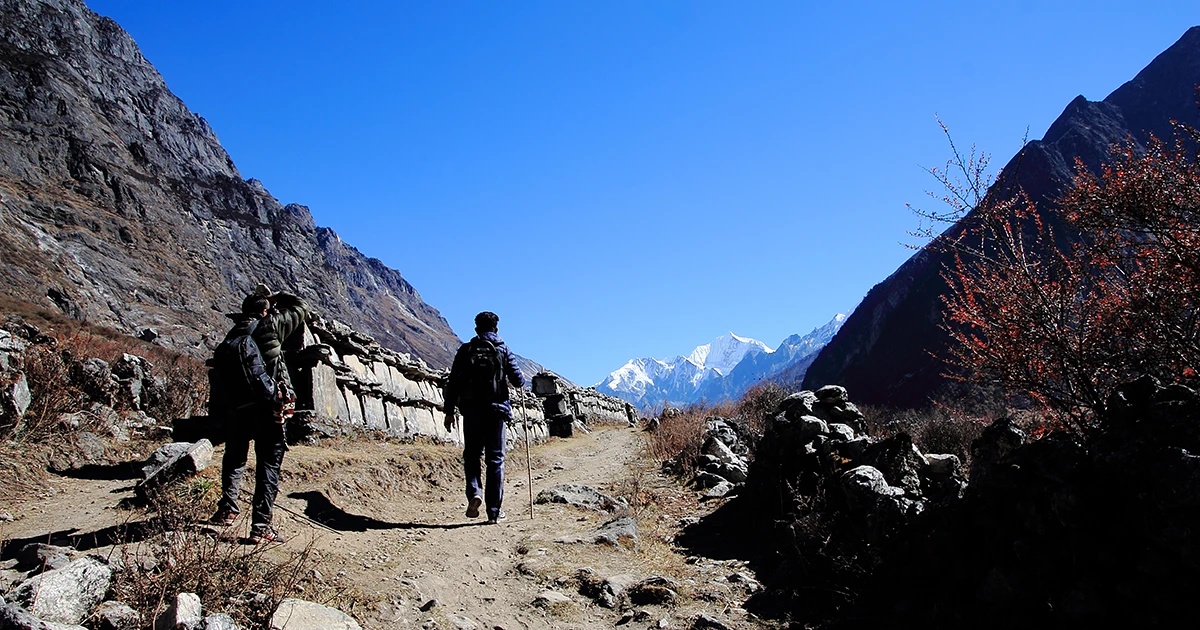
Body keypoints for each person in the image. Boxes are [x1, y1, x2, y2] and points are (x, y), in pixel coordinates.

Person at [210, 284, 309, 543]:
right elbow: (301, 307)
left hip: (236, 411)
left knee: (233, 459)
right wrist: (276, 297)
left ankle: (227, 510)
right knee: (268, 466)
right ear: (265, 311)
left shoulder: (231, 336)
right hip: (267, 409)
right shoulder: (271, 326)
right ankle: (261, 526)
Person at [443, 311, 526, 524]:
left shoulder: (466, 350)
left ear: (476, 329)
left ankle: (474, 493)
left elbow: (453, 383)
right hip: (496, 411)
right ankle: (494, 511)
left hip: (471, 410)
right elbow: (517, 380)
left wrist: (449, 411)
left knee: (471, 454)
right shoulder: (503, 350)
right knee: (495, 459)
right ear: (496, 329)